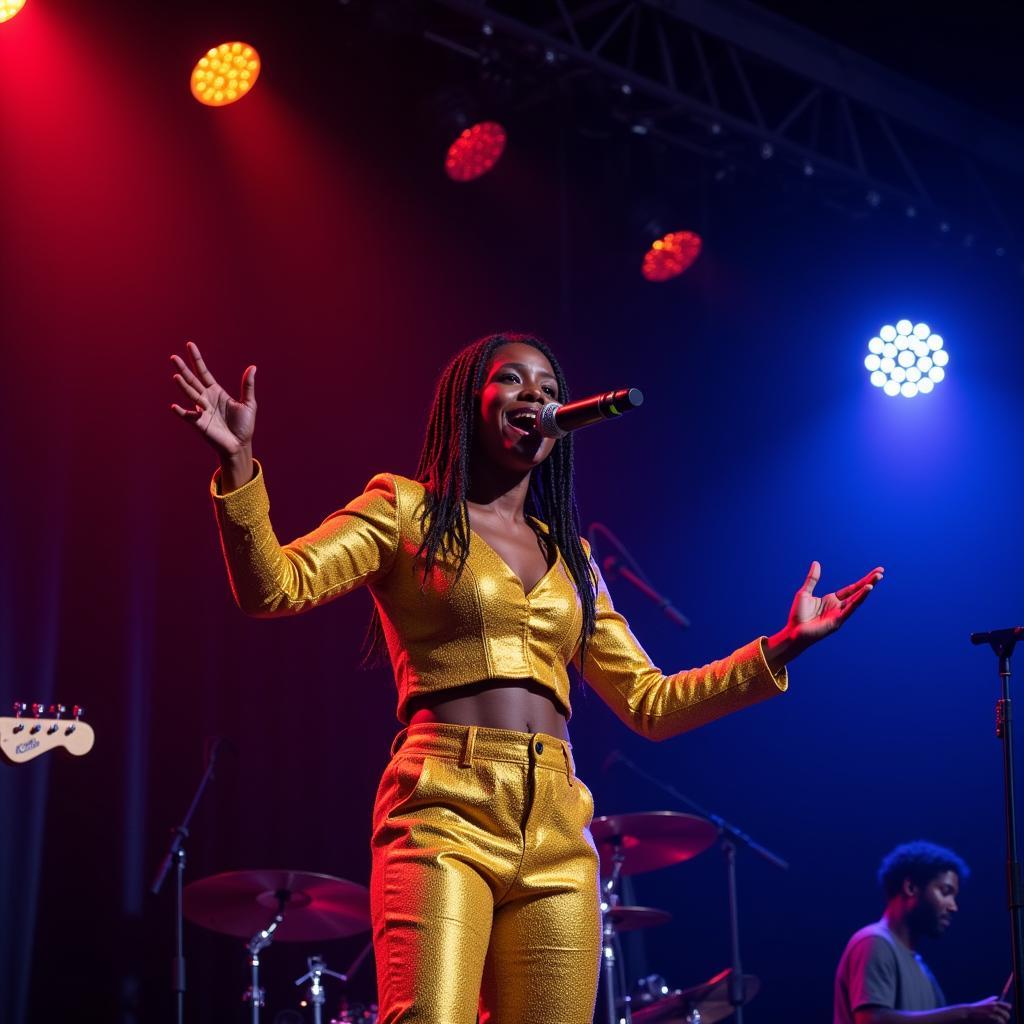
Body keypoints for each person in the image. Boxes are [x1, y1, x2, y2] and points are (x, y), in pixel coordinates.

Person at [171, 332, 883, 1024]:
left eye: (548, 388)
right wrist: (239, 467)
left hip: (555, 821)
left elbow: (651, 702)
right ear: (467, 404)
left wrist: (781, 648)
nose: (534, 396)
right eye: (512, 379)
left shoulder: (570, 556)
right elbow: (275, 586)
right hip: (445, 803)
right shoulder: (403, 509)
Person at [834, 840, 1012, 1024]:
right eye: (945, 891)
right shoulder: (873, 941)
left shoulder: (922, 970)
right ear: (911, 888)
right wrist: (966, 1013)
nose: (953, 906)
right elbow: (871, 1021)